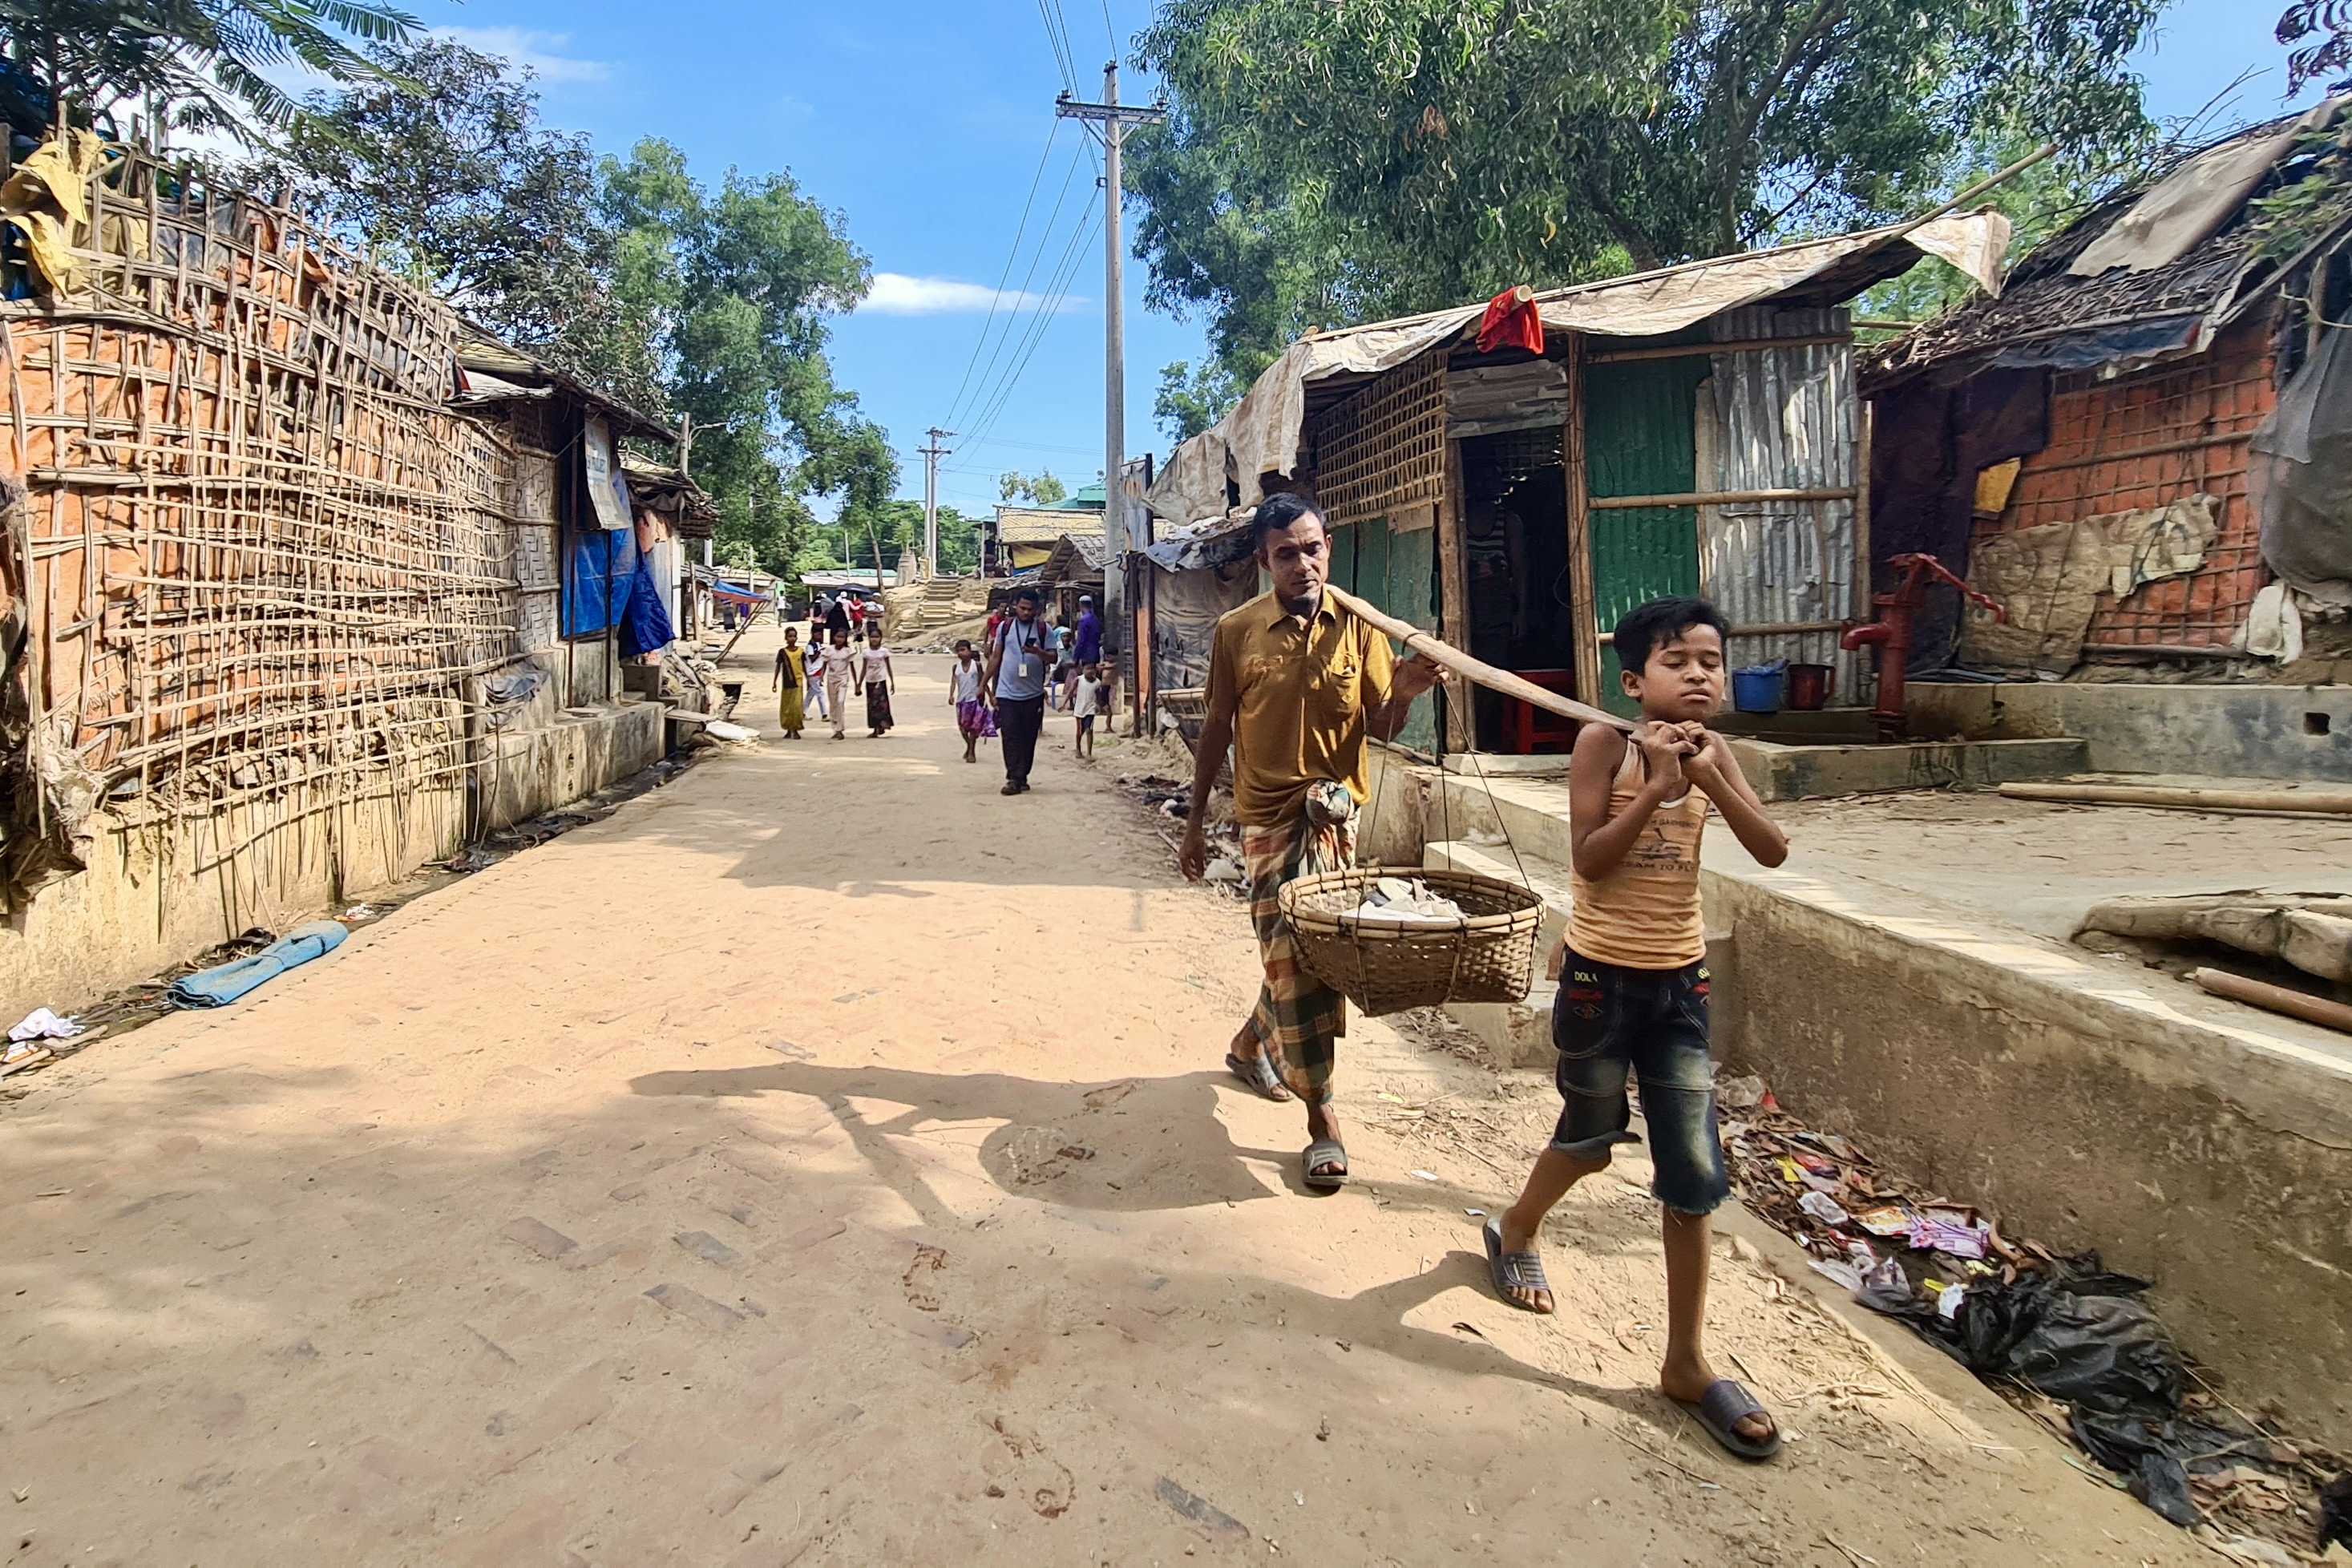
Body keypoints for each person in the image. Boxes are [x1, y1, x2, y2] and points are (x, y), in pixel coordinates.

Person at [1481, 595, 1790, 1462]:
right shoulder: (1601, 746)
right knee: (1589, 1137)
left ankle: (1686, 1363)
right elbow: (1587, 860)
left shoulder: (1718, 752)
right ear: (1634, 680)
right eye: (1677, 661)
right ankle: (1516, 1228)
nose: (1699, 674)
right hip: (1598, 981)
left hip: (1679, 986)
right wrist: (1656, 785)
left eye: (1710, 662)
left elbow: (1771, 850)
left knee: (1692, 1171)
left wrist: (1710, 776)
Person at [1177, 493, 1443, 1190]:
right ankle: (1322, 1116)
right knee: (1293, 959)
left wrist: (1409, 690)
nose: (1304, 563)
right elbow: (1215, 730)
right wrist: (1197, 818)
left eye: (1313, 547)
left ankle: (1250, 1046)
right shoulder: (1237, 632)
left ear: (1329, 547)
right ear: (1264, 561)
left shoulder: (1360, 628)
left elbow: (1380, 727)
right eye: (1287, 553)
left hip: (1333, 823)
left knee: (1312, 962)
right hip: (1266, 821)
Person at [983, 587, 1052, 795]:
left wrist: (1037, 652)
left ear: (1037, 610)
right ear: (1015, 607)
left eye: (1030, 609)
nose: (1026, 613)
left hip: (1033, 695)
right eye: (1023, 608)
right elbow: (996, 657)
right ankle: (1013, 777)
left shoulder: (1043, 629)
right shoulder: (1005, 627)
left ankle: (1022, 776)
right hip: (1007, 693)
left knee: (1028, 737)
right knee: (1010, 735)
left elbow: (1053, 658)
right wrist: (983, 684)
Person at [949, 638, 991, 763]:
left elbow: (983, 681)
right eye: (958, 651)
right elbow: (954, 681)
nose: (960, 653)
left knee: (973, 728)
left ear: (969, 651)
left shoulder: (976, 666)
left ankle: (972, 751)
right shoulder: (956, 667)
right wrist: (951, 695)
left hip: (975, 700)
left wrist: (990, 695)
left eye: (963, 650)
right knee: (962, 728)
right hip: (962, 700)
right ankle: (969, 746)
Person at [817, 627, 856, 741]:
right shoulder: (829, 650)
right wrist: (821, 677)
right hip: (831, 678)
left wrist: (857, 683)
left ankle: (840, 729)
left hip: (843, 678)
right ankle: (835, 728)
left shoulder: (848, 651)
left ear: (845, 639)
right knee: (833, 703)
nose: (840, 639)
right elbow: (824, 665)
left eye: (842, 637)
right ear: (834, 637)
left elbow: (852, 667)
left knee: (840, 701)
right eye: (838, 637)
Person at [856, 624, 895, 738]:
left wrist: (892, 682)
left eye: (877, 637)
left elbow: (889, 667)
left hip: (881, 681)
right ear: (869, 638)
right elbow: (864, 668)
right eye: (872, 637)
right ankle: (875, 728)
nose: (874, 639)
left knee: (882, 705)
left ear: (881, 638)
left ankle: (882, 726)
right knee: (872, 706)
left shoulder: (884, 652)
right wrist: (859, 683)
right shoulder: (866, 652)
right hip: (870, 682)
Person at [772, 626, 807, 739]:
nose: (792, 638)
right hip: (787, 683)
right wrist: (774, 682)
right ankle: (788, 729)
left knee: (797, 707)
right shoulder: (782, 652)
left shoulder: (801, 651)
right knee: (787, 707)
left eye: (794, 636)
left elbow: (804, 666)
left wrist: (808, 679)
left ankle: (796, 729)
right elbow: (778, 667)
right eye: (790, 636)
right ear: (786, 638)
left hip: (798, 683)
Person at [1070, 659, 1103, 760]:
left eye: (1092, 669)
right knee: (1080, 732)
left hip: (1090, 709)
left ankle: (1089, 752)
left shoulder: (1097, 682)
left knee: (1089, 730)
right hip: (1079, 710)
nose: (1090, 671)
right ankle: (1078, 749)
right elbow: (1071, 691)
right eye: (1087, 669)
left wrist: (1099, 706)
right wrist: (1063, 704)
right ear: (1083, 670)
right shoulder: (1079, 680)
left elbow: (1098, 695)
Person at [1073, 594, 1103, 667]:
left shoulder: (1084, 620)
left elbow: (1081, 639)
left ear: (1080, 605)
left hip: (1086, 654)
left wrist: (1075, 658)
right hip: (1095, 653)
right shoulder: (1095, 619)